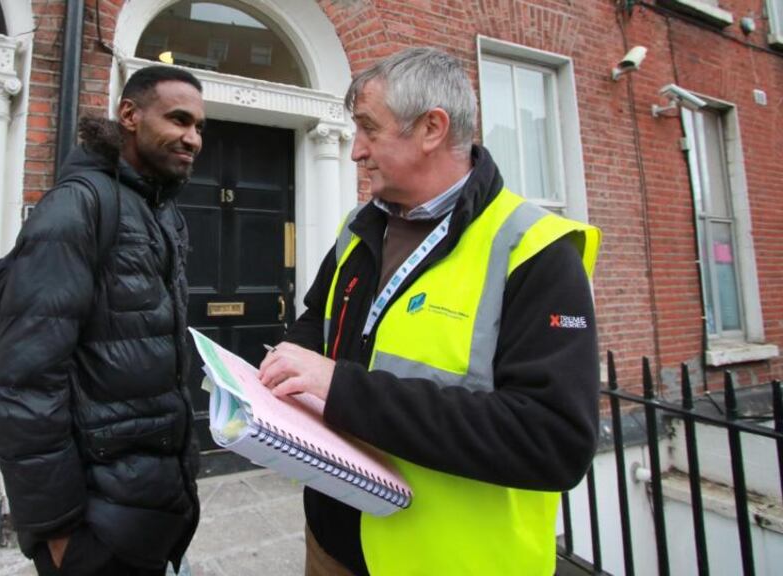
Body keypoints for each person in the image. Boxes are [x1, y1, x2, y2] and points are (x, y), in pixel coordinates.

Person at [258, 47, 602, 575]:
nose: (356, 151)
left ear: (431, 129)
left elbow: (553, 440)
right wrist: (275, 380)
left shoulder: (536, 251)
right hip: (330, 544)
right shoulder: (360, 226)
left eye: (369, 130)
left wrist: (343, 388)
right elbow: (319, 325)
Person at [0, 66, 206, 576]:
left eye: (198, 127)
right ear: (129, 115)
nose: (192, 139)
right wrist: (58, 531)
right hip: (94, 525)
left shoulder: (164, 214)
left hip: (152, 509)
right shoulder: (77, 208)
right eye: (178, 120)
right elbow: (23, 381)